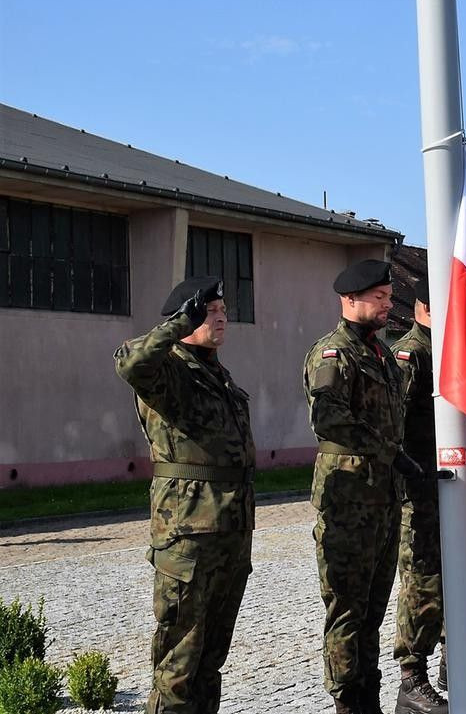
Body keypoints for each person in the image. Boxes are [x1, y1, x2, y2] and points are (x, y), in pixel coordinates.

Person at [114, 276, 255, 714]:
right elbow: (130, 363)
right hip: (188, 536)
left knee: (211, 662)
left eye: (224, 311)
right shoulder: (168, 370)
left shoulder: (221, 376)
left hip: (230, 532)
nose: (221, 318)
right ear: (185, 317)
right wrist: (176, 326)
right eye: (210, 311)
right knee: (178, 665)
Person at [303, 259, 423, 714]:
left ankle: (369, 699)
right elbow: (329, 419)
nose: (387, 305)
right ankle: (348, 703)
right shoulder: (332, 354)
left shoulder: (383, 355)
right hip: (348, 501)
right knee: (347, 614)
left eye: (389, 297)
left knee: (373, 612)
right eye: (379, 298)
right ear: (350, 299)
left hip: (384, 500)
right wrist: (392, 454)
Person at [391, 280, 466, 714]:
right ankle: (411, 679)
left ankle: (457, 663)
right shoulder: (412, 353)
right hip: (420, 487)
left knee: (463, 573)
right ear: (425, 306)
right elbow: (396, 424)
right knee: (422, 583)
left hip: (449, 483)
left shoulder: (447, 347)